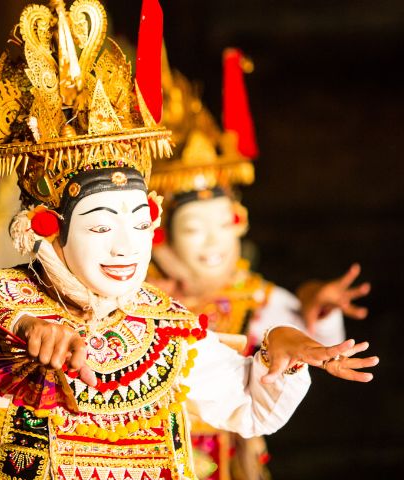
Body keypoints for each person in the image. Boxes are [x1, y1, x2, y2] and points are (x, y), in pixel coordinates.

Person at [0, 1, 377, 479]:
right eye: (100, 227)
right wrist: (20, 328)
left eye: (140, 224)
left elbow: (247, 407)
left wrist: (277, 357)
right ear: (50, 226)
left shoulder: (165, 330)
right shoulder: (0, 299)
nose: (125, 247)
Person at [146, 51, 371, 480]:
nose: (214, 241)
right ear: (161, 235)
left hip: (230, 461)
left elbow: (308, 342)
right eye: (194, 228)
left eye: (223, 223)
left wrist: (314, 307)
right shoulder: (140, 298)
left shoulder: (252, 295)